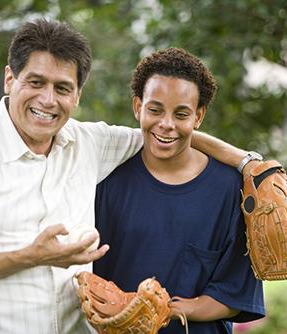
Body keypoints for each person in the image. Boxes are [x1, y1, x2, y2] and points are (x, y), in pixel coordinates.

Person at [0, 20, 260, 333]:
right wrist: (30, 257)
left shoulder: (88, 143)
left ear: (78, 95)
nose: (47, 100)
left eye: (63, 88)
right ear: (10, 78)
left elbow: (164, 130)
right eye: (36, 82)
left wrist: (248, 164)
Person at [93, 47, 265, 333]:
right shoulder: (108, 182)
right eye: (155, 109)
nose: (166, 124)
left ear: (198, 116)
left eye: (181, 113)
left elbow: (235, 294)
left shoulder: (230, 190)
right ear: (138, 107)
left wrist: (165, 310)